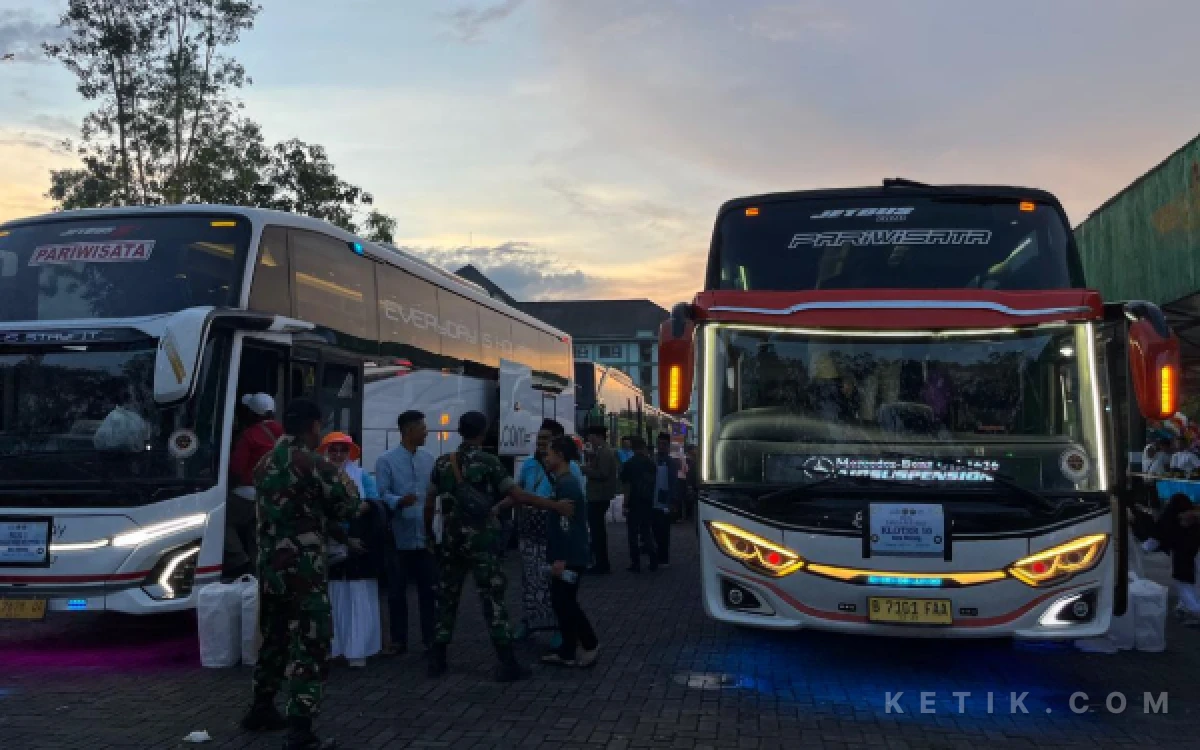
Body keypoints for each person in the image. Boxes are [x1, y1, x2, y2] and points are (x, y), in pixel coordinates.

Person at [241, 399, 362, 750]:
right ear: (314, 426)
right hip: (303, 568)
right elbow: (347, 505)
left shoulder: (265, 463)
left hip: (270, 566)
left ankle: (261, 708)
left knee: (274, 638)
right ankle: (300, 729)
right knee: (311, 642)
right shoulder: (314, 464)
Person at [426, 411, 548, 682]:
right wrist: (552, 505)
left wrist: (429, 535)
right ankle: (506, 662)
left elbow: (429, 500)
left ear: (459, 430)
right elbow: (514, 495)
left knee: (447, 597)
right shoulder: (489, 462)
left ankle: (438, 658)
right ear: (483, 433)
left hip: (451, 540)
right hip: (482, 540)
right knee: (492, 599)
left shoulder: (443, 462)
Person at [527, 436, 598, 668]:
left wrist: (561, 558)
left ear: (560, 455)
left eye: (549, 454)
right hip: (570, 553)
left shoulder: (566, 484)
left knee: (566, 602)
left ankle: (589, 644)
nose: (545, 458)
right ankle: (568, 649)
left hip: (570, 555)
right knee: (561, 601)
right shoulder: (563, 482)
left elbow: (565, 526)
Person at [318, 432, 386, 669]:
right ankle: (335, 648)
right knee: (335, 597)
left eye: (342, 450)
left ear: (350, 453)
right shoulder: (319, 476)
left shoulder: (361, 475)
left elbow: (376, 501)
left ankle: (359, 649)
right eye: (333, 450)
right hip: (331, 543)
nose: (338, 455)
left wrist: (358, 510)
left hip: (359, 544)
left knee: (359, 596)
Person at [375, 410, 438, 655]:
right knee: (396, 591)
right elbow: (381, 495)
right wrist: (399, 501)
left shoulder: (429, 458)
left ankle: (430, 638)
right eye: (422, 428)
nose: (426, 432)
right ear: (409, 431)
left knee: (428, 590)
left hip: (424, 534)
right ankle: (399, 640)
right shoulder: (386, 460)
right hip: (398, 534)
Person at [513, 420, 563, 641]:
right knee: (531, 580)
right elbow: (518, 491)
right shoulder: (528, 465)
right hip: (529, 530)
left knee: (555, 581)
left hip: (553, 531)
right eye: (539, 438)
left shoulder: (564, 467)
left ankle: (560, 628)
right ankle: (530, 622)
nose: (541, 443)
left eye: (546, 439)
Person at [225, 393, 283, 579]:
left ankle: (239, 560)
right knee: (256, 536)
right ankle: (257, 574)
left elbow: (236, 468)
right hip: (271, 496)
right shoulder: (284, 433)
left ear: (253, 414)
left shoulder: (249, 435)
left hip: (245, 495)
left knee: (221, 521)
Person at [582, 425, 620, 574]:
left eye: (591, 436)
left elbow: (602, 473)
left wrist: (585, 470)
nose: (589, 439)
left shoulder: (604, 452)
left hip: (599, 496)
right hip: (598, 495)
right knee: (598, 530)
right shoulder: (600, 451)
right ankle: (600, 561)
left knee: (598, 531)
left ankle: (601, 563)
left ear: (598, 436)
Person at [620, 437, 658, 572]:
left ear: (633, 448)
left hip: (634, 502)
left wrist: (625, 504)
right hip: (648, 501)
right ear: (643, 448)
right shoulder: (651, 464)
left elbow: (627, 486)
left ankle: (635, 563)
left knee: (632, 533)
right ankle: (653, 559)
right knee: (647, 531)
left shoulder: (629, 464)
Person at [651, 432, 682, 567]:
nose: (661, 447)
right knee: (655, 530)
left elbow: (674, 482)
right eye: (659, 444)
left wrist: (673, 501)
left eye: (664, 444)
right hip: (654, 499)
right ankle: (657, 554)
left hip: (665, 500)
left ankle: (663, 557)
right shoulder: (654, 460)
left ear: (668, 446)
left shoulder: (671, 462)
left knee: (664, 530)